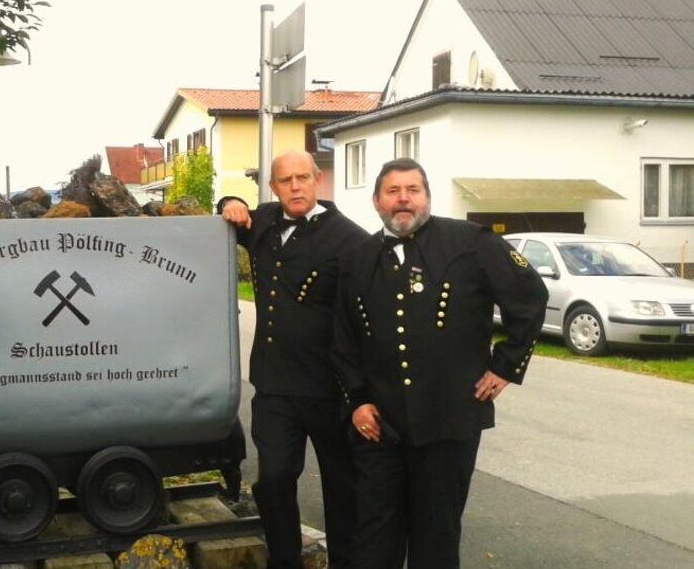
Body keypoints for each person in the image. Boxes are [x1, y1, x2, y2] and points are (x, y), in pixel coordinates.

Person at [331, 158, 548, 569]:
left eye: (412, 190)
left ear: (426, 197)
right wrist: (357, 399)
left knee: (437, 536)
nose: (403, 199)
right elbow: (344, 338)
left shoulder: (471, 242)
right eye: (393, 191)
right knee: (375, 538)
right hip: (379, 425)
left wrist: (506, 366)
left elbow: (530, 295)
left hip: (450, 421)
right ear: (377, 201)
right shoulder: (356, 257)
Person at [218, 151, 369, 569]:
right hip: (273, 387)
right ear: (273, 187)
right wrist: (229, 202)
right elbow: (233, 212)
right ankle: (284, 560)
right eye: (286, 180)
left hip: (329, 388)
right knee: (275, 480)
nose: (296, 186)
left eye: (303, 178)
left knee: (342, 487)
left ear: (318, 180)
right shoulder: (264, 220)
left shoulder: (351, 239)